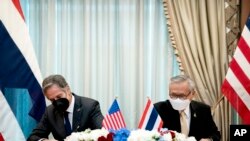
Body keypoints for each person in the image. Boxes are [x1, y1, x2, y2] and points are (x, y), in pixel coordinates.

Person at [27, 74, 104, 141]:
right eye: (52, 100)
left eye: (59, 96)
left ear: (68, 89)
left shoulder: (90, 106)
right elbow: (33, 137)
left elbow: (103, 133)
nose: (57, 102)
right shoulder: (50, 111)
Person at [154, 75, 221, 141]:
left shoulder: (203, 110)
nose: (177, 100)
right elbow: (150, 135)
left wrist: (209, 140)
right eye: (173, 95)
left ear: (193, 94)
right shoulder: (158, 109)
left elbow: (215, 134)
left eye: (182, 96)